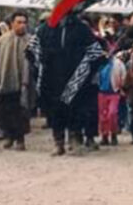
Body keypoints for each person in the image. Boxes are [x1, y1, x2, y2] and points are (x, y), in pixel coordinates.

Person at [29, 14, 105, 157]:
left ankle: (74, 139)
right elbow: (33, 50)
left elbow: (95, 53)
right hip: (52, 77)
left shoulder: (81, 28)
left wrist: (85, 69)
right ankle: (58, 142)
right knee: (55, 110)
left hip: (76, 77)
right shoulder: (45, 28)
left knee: (76, 108)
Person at [0, 11, 32, 151]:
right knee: (5, 111)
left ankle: (20, 139)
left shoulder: (30, 40)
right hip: (5, 82)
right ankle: (9, 136)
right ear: (12, 23)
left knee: (21, 112)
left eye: (24, 22)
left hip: (23, 84)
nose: (22, 25)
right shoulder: (4, 39)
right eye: (19, 22)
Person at [98, 47, 127, 146]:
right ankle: (104, 135)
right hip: (101, 92)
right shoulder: (99, 63)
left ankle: (113, 133)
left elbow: (123, 76)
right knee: (102, 116)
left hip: (114, 92)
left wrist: (121, 86)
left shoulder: (118, 63)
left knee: (112, 113)